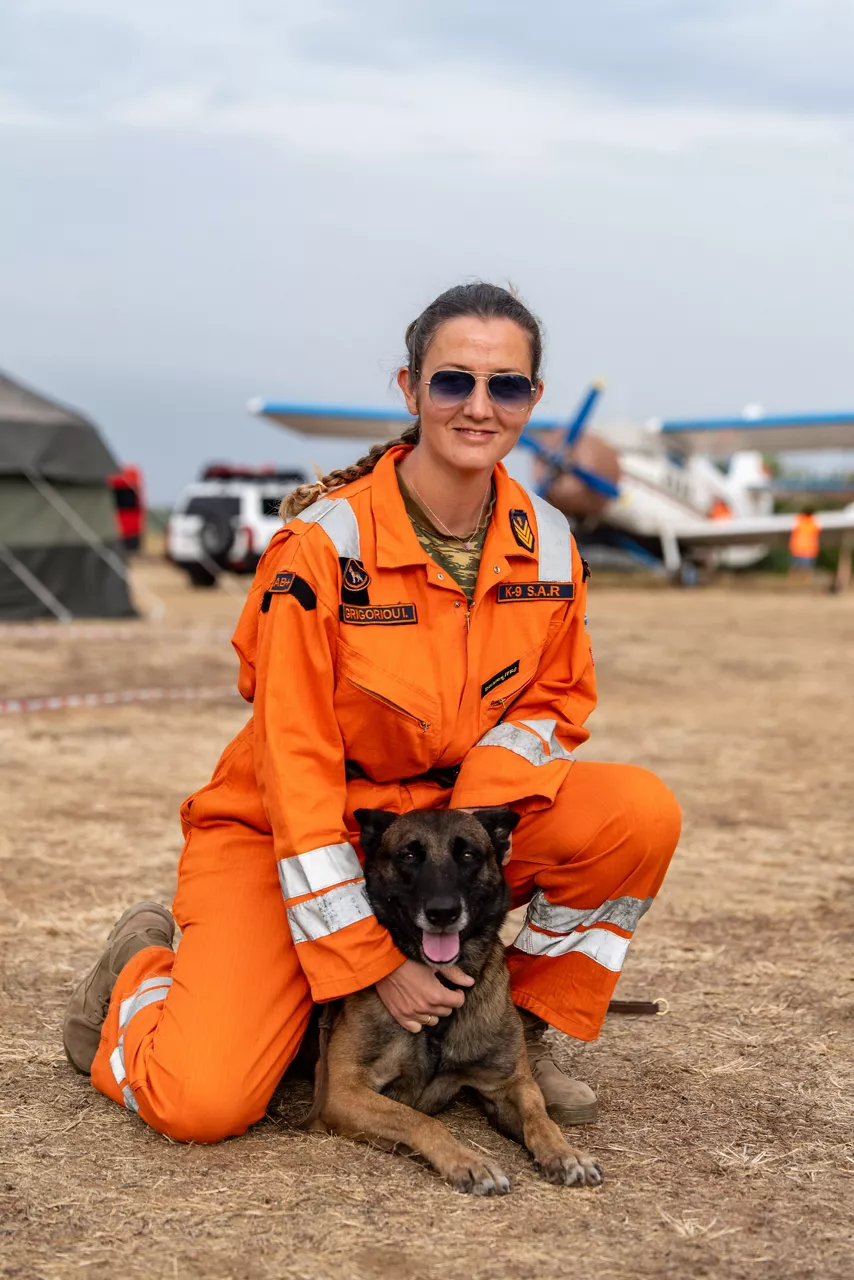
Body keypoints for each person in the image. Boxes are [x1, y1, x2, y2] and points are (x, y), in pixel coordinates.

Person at [63, 282, 681, 1142]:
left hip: (441, 821)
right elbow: (295, 759)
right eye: (452, 381)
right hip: (291, 830)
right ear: (409, 388)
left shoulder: (548, 541)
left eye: (505, 386)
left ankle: (507, 1038)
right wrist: (365, 957)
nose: (478, 405)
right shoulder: (323, 548)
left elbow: (553, 702)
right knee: (203, 1101)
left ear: (532, 401)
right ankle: (137, 973)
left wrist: (460, 826)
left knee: (634, 815)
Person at [788, 508, 820, 579]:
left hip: (805, 549)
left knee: (803, 568)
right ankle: (796, 581)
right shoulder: (813, 520)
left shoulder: (799, 519)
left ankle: (800, 581)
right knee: (800, 567)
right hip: (802, 549)